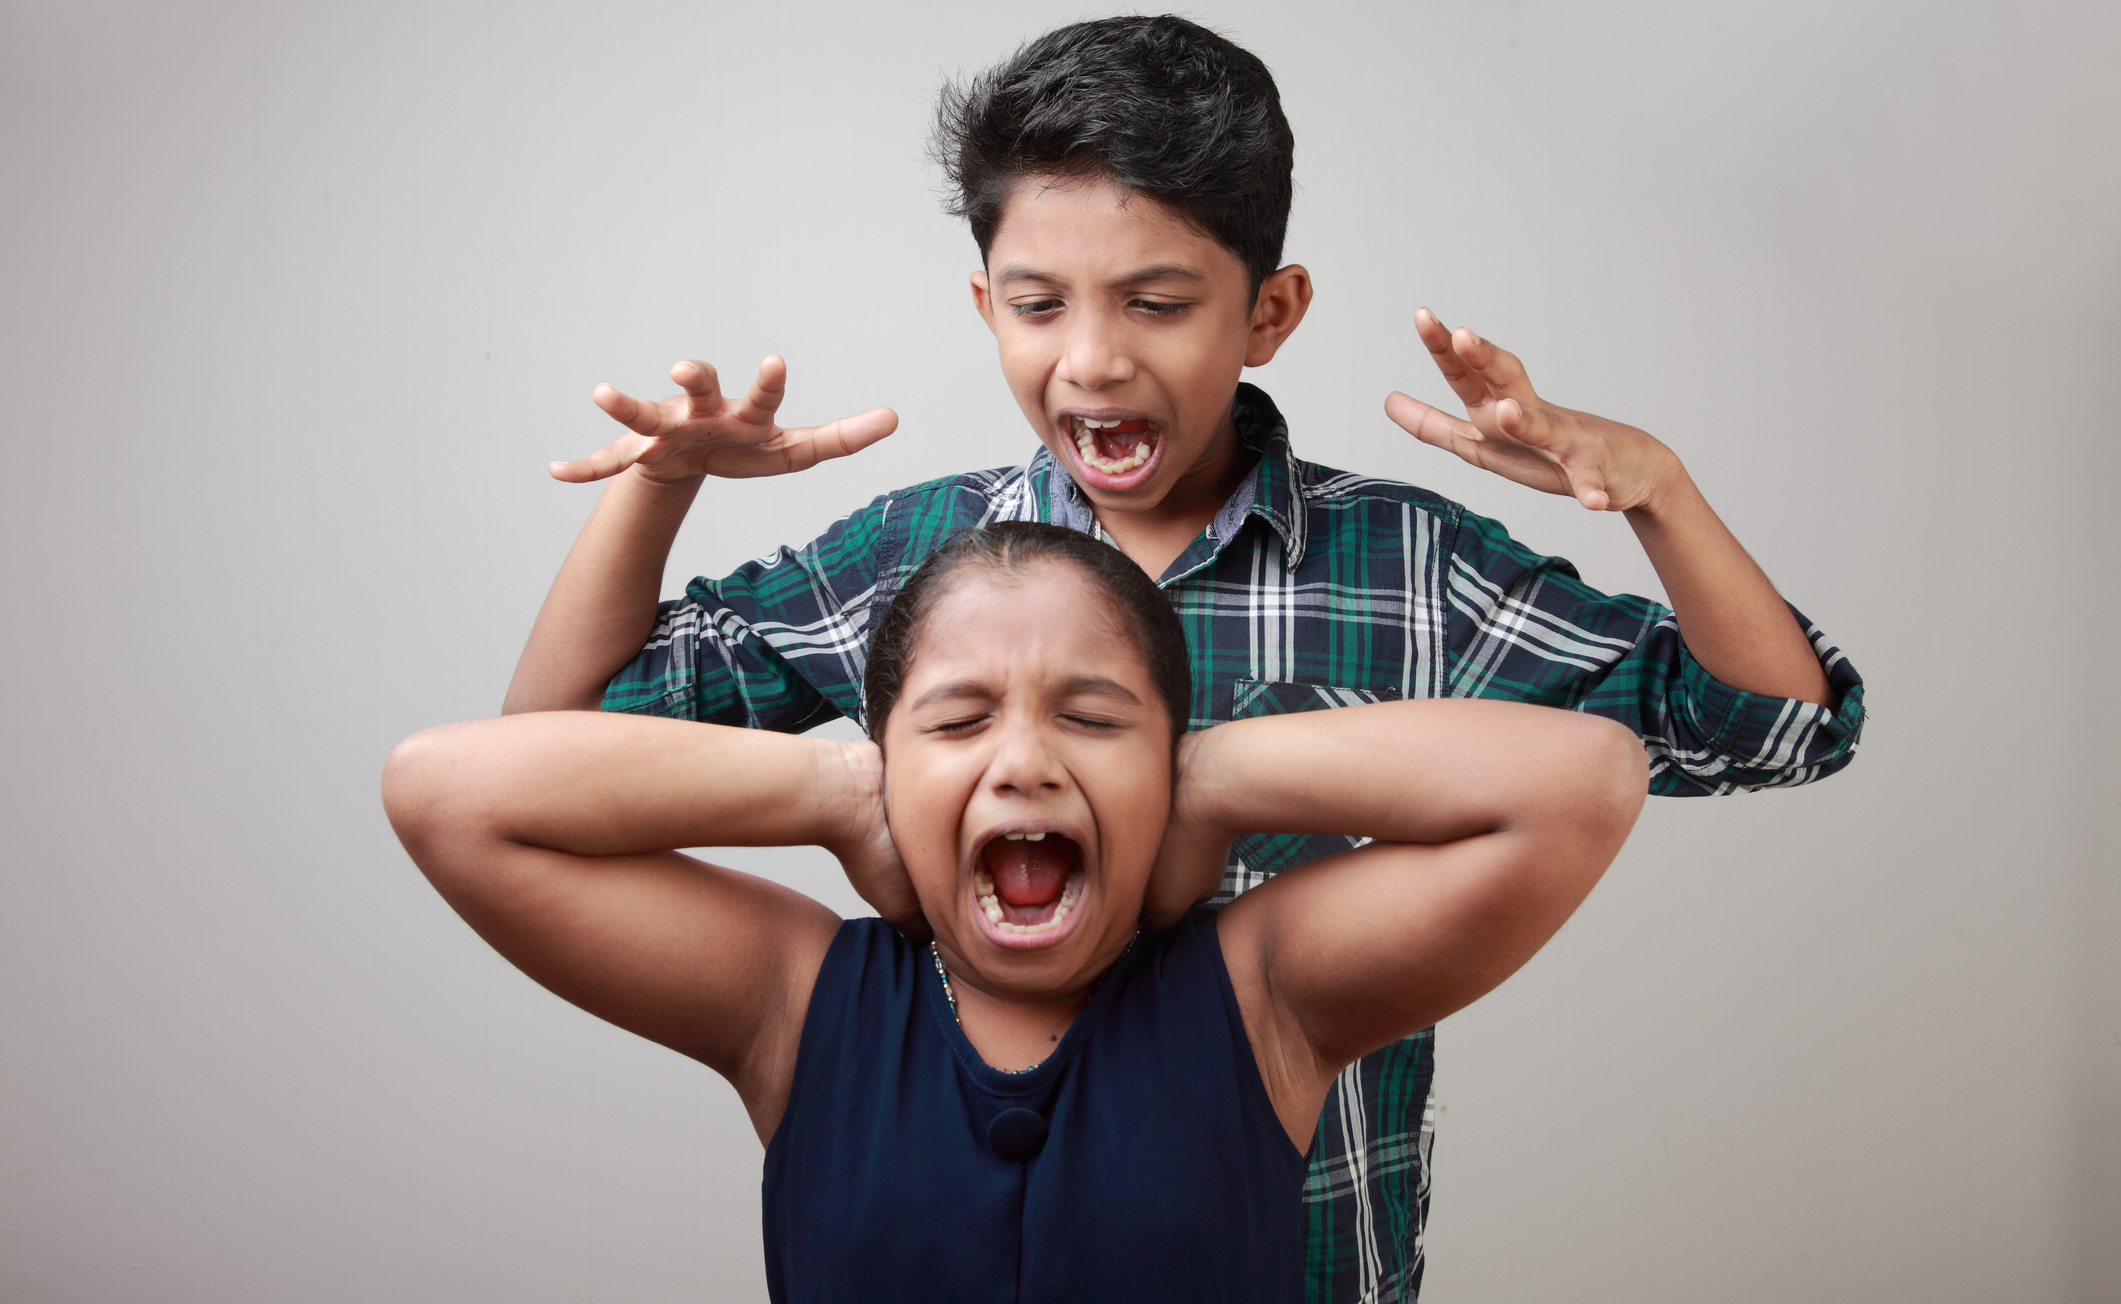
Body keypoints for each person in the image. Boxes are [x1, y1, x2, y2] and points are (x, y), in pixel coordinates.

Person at [499, 16, 1866, 1300]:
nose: (1090, 361)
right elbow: (550, 748)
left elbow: (1771, 727)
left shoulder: (1405, 563)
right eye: (1040, 306)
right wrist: (660, 488)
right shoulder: (916, 558)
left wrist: (1658, 491)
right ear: (984, 304)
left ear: (1268, 313)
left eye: (1155, 302)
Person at [386, 524, 1649, 1303]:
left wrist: (1208, 784)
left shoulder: (1264, 994)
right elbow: (445, 790)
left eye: (1093, 718)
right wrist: (832, 790)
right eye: (958, 719)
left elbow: (1586, 780)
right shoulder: (798, 1000)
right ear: (888, 758)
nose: (1026, 762)